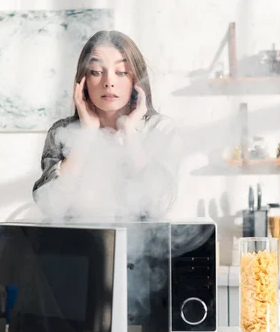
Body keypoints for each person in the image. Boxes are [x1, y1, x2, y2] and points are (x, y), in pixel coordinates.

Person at [32, 30, 181, 221]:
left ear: (135, 79)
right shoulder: (61, 132)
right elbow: (50, 205)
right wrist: (86, 134)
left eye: (121, 72)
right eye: (96, 72)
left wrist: (130, 133)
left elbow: (160, 204)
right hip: (76, 246)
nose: (109, 82)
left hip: (145, 247)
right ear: (83, 81)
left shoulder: (160, 129)